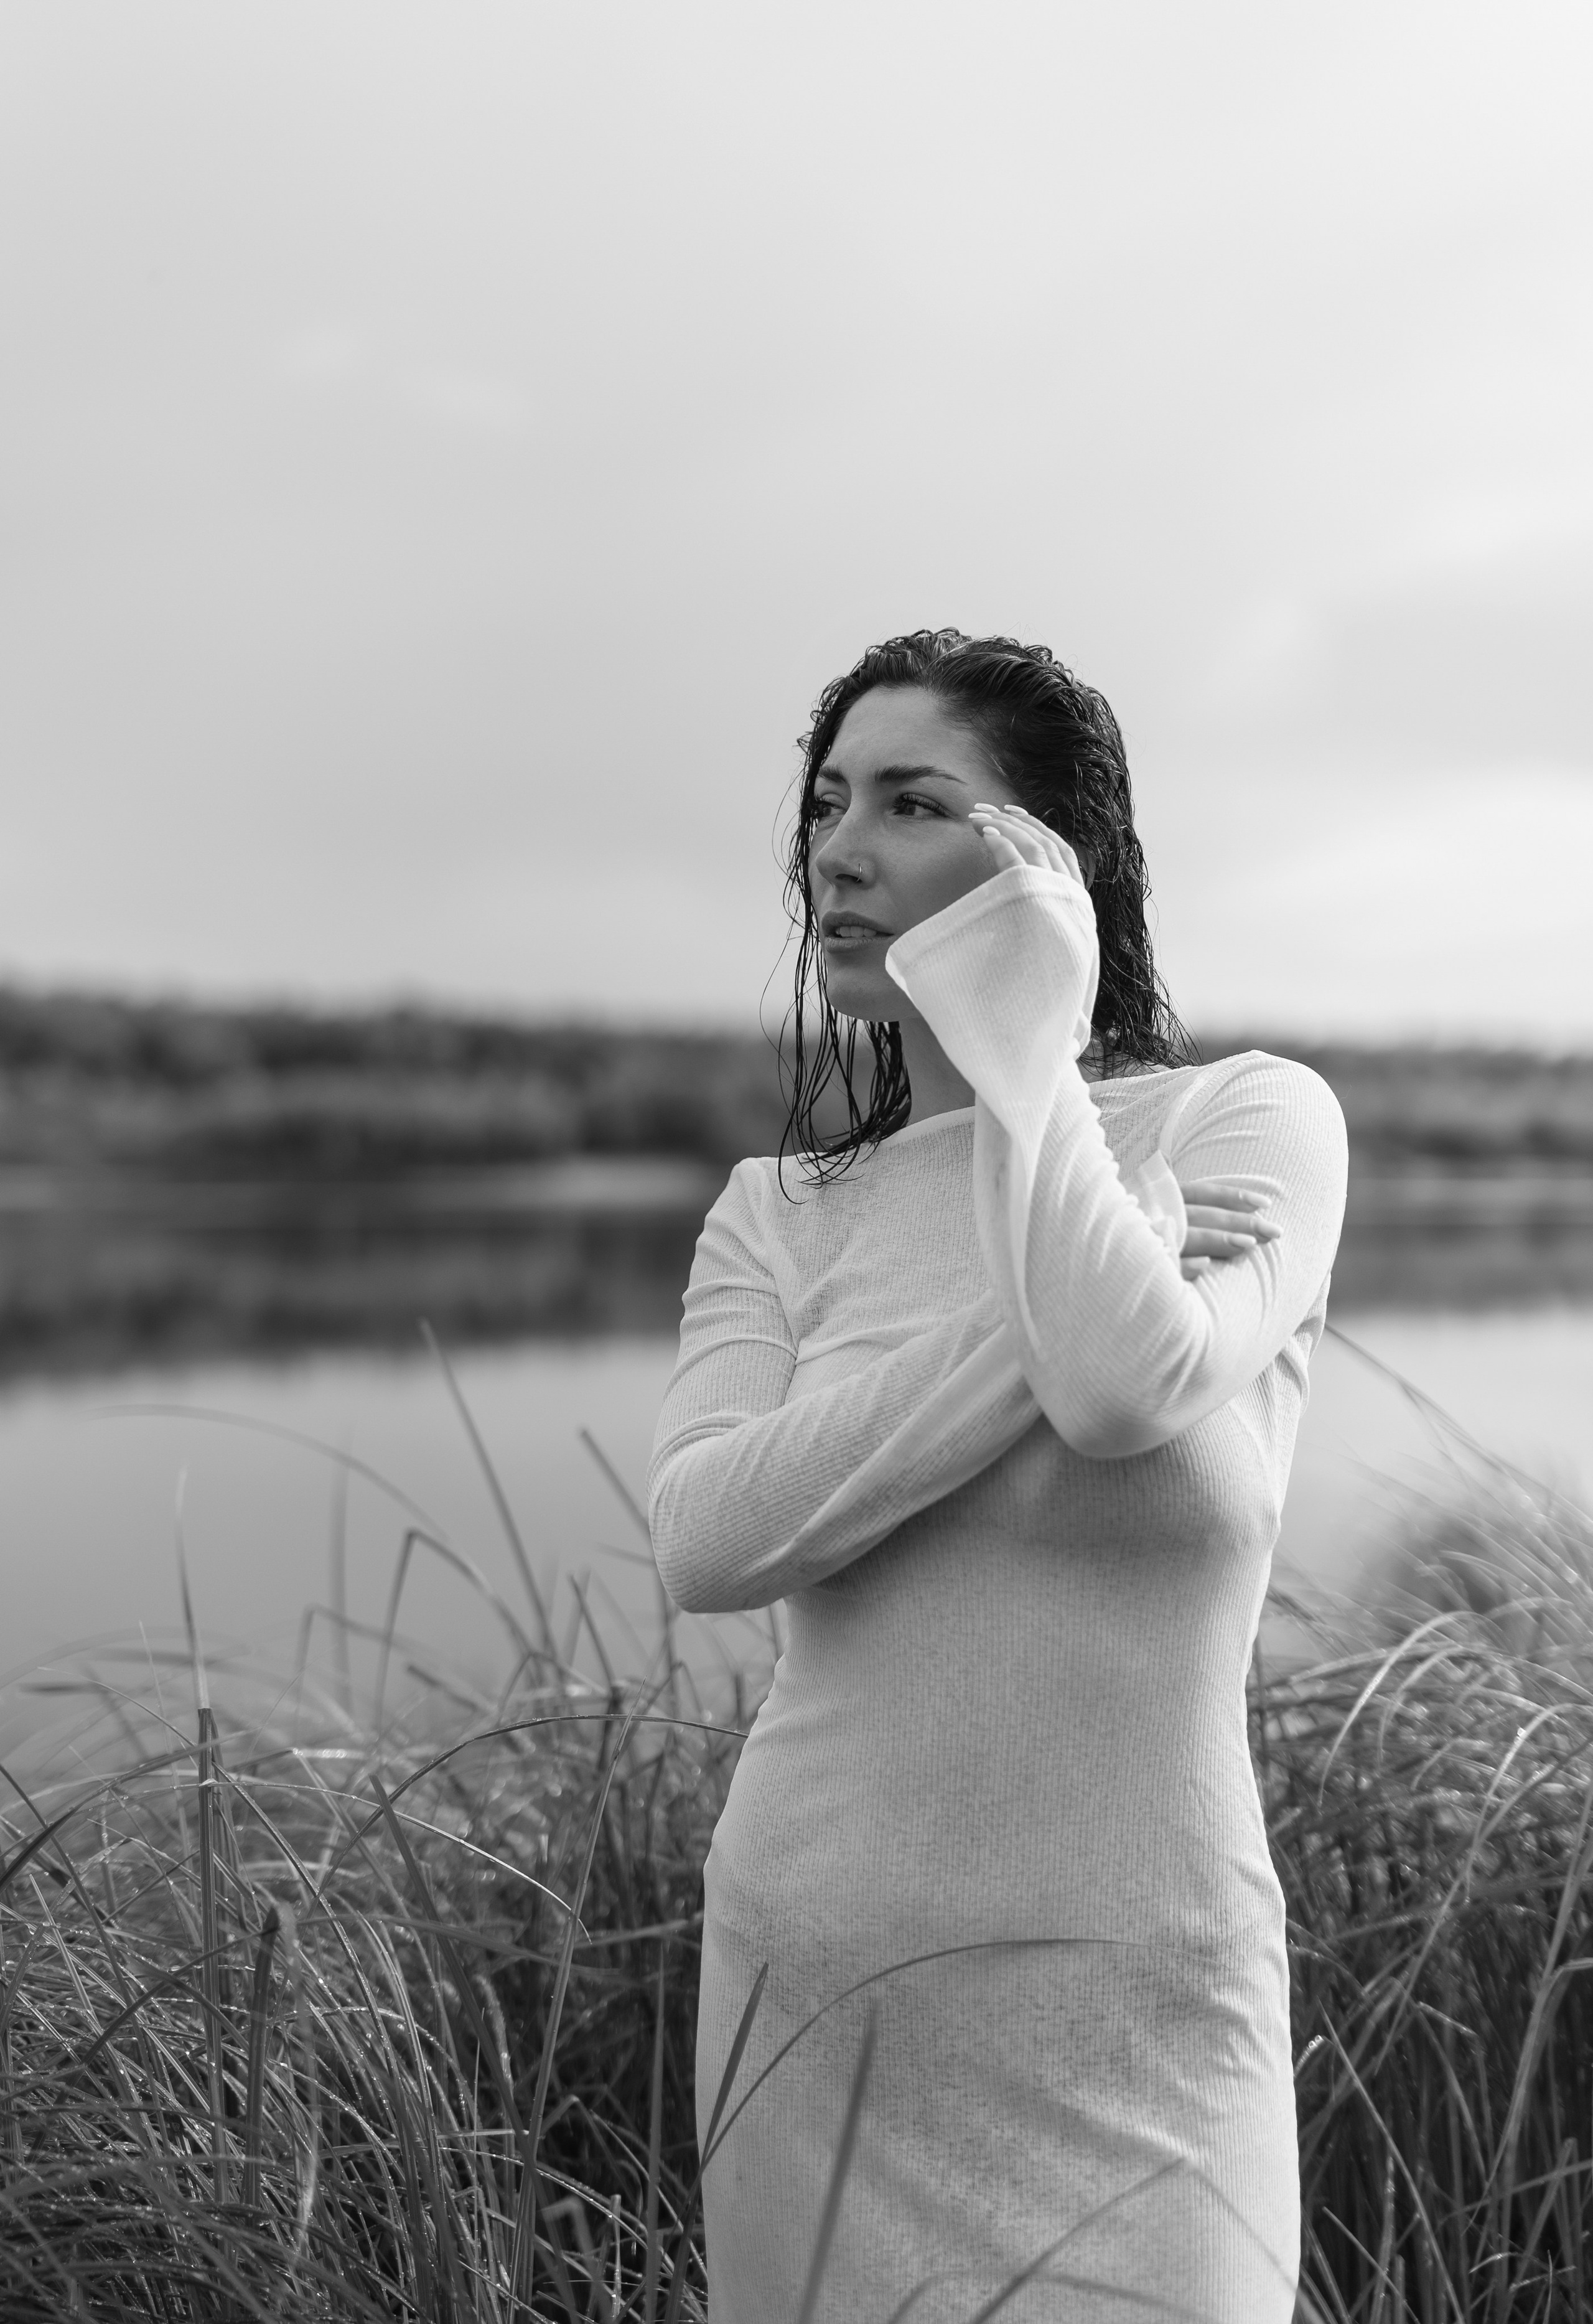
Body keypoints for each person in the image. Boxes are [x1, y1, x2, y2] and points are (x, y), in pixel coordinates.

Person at [647, 630, 1348, 2322]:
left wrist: (1031, 1058)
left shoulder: (1245, 1129)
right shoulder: (781, 1211)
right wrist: (1011, 1339)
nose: (839, 847)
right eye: (826, 803)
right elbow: (711, 1537)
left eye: (910, 799)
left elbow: (1117, 1395)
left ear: (1052, 861)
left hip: (1150, 2013)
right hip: (820, 1987)